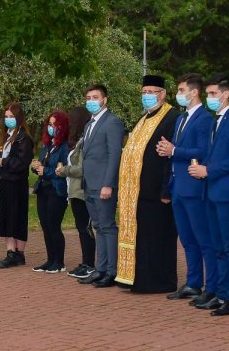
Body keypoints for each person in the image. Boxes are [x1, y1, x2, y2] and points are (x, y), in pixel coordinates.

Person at [190, 75, 229, 316]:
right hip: (211, 192)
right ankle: (221, 292)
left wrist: (209, 170)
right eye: (208, 94)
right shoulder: (217, 120)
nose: (209, 98)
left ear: (225, 94)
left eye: (213, 94)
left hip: (227, 192)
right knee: (217, 245)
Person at [115, 76, 177, 293]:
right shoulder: (143, 118)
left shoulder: (171, 117)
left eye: (152, 92)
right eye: (144, 92)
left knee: (157, 237)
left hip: (157, 191)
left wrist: (166, 188)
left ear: (163, 94)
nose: (147, 96)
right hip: (136, 193)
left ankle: (158, 281)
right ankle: (135, 277)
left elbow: (169, 158)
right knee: (142, 236)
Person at [158, 74, 216, 304]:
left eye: (182, 90)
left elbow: (203, 151)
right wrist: (167, 150)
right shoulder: (182, 118)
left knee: (204, 239)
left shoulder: (204, 119)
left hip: (194, 186)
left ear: (194, 92)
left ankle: (211, 286)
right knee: (187, 239)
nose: (178, 95)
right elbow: (175, 149)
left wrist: (174, 151)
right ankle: (193, 282)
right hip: (178, 187)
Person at [77, 84, 125, 288]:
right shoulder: (89, 125)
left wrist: (108, 184)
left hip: (103, 184)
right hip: (89, 183)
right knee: (97, 227)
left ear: (105, 100)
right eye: (88, 97)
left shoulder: (112, 122)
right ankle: (100, 268)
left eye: (95, 97)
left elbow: (115, 155)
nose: (91, 101)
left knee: (107, 226)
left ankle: (111, 271)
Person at [0, 102, 32, 268]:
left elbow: (22, 162)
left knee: (18, 217)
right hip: (4, 182)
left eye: (11, 117)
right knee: (7, 216)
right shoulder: (6, 136)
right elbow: (2, 156)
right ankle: (10, 251)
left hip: (17, 184)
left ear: (19, 118)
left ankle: (19, 253)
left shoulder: (24, 137)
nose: (8, 120)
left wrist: (3, 161)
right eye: (6, 117)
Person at [57, 106, 97, 279]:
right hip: (74, 190)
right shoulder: (78, 140)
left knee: (85, 228)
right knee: (81, 228)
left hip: (81, 190)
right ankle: (86, 262)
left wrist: (64, 170)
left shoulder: (84, 141)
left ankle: (90, 263)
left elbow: (81, 168)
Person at [30, 110, 70, 273]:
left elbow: (62, 170)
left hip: (56, 190)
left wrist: (44, 170)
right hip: (43, 189)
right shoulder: (47, 145)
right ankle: (50, 259)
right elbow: (42, 164)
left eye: (55, 125)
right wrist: (36, 167)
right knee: (45, 225)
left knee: (54, 225)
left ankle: (59, 262)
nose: (52, 127)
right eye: (50, 124)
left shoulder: (65, 147)